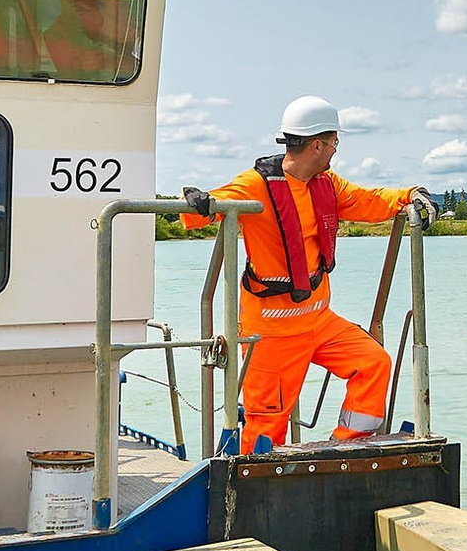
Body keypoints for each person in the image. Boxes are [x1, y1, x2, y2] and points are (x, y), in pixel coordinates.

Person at [180, 97, 436, 453]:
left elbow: (369, 200)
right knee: (266, 424)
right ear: (317, 144)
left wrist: (411, 195)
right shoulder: (255, 185)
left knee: (373, 363)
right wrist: (198, 204)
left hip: (319, 320)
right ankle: (254, 484)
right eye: (334, 143)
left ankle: (346, 449)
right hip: (270, 330)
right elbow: (205, 209)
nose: (335, 150)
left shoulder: (327, 184)